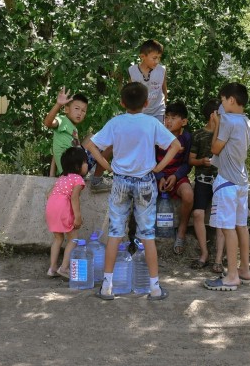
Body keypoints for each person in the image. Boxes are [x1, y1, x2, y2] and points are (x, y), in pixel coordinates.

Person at [83, 82, 181, 301]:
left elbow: (90, 144)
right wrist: (159, 167)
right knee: (147, 235)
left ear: (122, 102)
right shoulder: (151, 123)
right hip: (146, 182)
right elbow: (175, 145)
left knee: (115, 233)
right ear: (146, 103)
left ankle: (106, 287)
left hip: (120, 181)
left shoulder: (116, 122)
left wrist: (106, 166)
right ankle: (155, 288)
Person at [204, 83, 250, 291]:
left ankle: (232, 276)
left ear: (231, 100)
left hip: (226, 182)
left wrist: (216, 124)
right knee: (241, 226)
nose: (221, 104)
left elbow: (215, 148)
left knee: (227, 227)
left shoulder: (226, 121)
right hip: (241, 181)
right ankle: (244, 270)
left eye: (223, 100)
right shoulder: (248, 122)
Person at [43, 87, 111, 193]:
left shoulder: (73, 129)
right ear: (66, 109)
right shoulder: (62, 120)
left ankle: (91, 172)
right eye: (76, 108)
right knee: (108, 143)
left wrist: (52, 174)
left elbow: (56, 150)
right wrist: (58, 105)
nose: (80, 113)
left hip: (75, 163)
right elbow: (47, 123)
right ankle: (97, 180)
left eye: (83, 111)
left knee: (90, 137)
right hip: (74, 169)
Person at [188, 99, 226, 272]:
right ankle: (204, 254)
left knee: (221, 219)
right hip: (203, 180)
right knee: (197, 213)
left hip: (221, 181)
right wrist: (201, 161)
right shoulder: (198, 135)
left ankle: (218, 259)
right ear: (213, 115)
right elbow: (191, 160)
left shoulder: (225, 134)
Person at [153, 102, 194, 256]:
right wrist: (160, 177)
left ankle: (181, 232)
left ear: (183, 121)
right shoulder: (158, 135)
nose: (168, 121)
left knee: (188, 195)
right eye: (167, 117)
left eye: (173, 118)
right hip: (158, 174)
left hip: (177, 175)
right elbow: (151, 159)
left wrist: (176, 176)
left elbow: (187, 163)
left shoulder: (187, 138)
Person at [45, 147, 89, 279]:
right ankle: (64, 268)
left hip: (51, 207)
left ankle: (52, 268)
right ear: (77, 166)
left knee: (58, 238)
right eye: (85, 162)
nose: (87, 165)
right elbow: (74, 198)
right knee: (73, 238)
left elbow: (48, 195)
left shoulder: (61, 178)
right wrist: (77, 216)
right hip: (63, 208)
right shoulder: (78, 179)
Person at [128, 39, 167, 123]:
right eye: (154, 58)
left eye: (159, 58)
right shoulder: (132, 71)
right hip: (138, 113)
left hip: (158, 112)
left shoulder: (161, 70)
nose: (157, 61)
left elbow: (164, 90)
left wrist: (164, 108)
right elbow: (129, 93)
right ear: (142, 56)